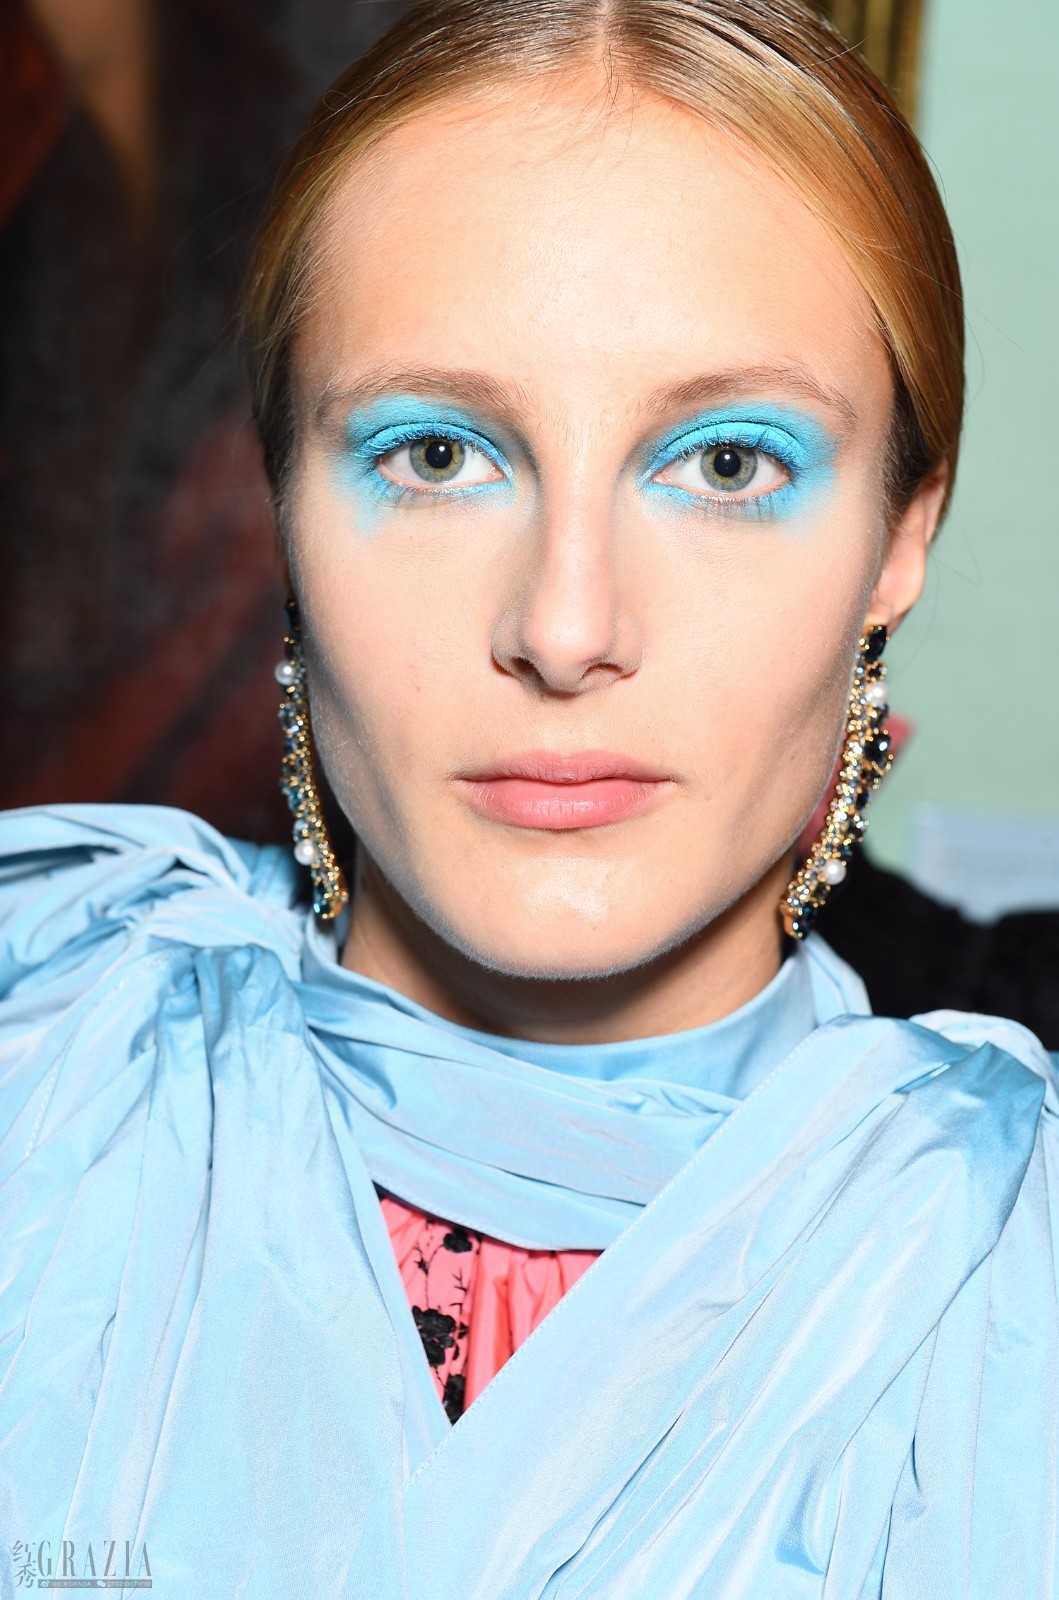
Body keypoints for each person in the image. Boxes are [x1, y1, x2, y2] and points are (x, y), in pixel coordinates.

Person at [1, 1, 1056, 1594]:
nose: (565, 629)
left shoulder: (1015, 1282)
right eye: (436, 456)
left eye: (726, 465)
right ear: (280, 505)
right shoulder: (43, 1083)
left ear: (899, 539)